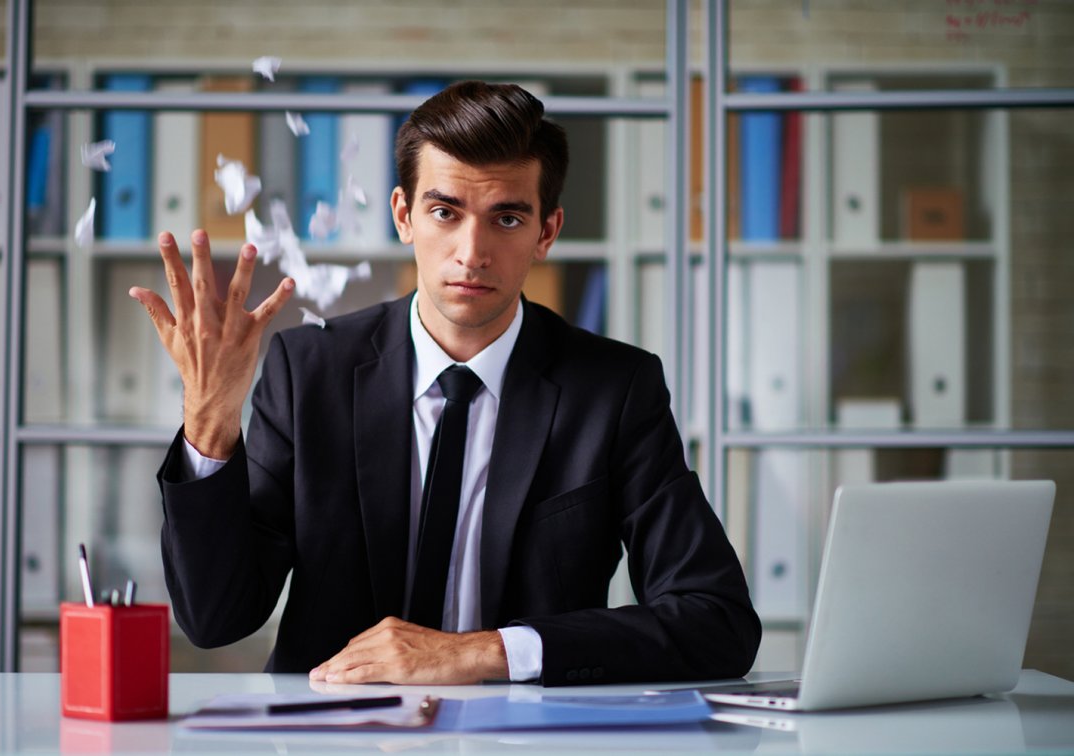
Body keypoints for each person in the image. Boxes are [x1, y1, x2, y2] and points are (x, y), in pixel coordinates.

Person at [132, 80, 760, 686]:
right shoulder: (308, 371)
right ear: (404, 215)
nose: (471, 251)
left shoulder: (614, 389)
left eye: (507, 219)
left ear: (547, 232)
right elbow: (216, 618)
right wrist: (209, 420)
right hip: (333, 734)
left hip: (527, 739)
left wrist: (485, 653)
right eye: (445, 212)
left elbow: (717, 620)